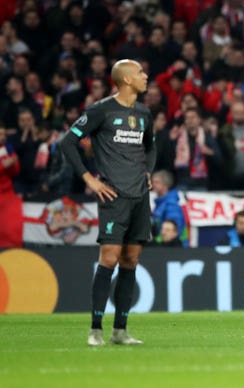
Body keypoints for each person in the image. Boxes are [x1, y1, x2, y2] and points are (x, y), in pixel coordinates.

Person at [60, 59, 155, 346]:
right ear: (126, 80)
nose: (145, 76)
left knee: (131, 260)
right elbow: (67, 142)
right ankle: (95, 329)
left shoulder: (144, 113)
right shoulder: (101, 110)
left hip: (140, 196)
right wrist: (89, 179)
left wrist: (148, 171)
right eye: (140, 72)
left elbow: (151, 147)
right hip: (113, 196)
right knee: (110, 259)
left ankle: (120, 331)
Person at [151, 170, 186, 246]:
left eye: (157, 182)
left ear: (165, 185)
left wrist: (156, 243)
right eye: (153, 182)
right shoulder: (160, 204)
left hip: (173, 249)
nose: (153, 184)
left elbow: (173, 231)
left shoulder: (171, 205)